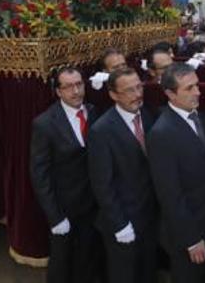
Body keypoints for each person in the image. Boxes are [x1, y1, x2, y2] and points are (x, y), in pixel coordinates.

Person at [148, 63, 205, 283]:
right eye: (189, 88)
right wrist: (191, 239)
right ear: (170, 94)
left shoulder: (203, 117)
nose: (198, 92)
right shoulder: (162, 134)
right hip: (189, 235)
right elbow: (170, 195)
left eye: (197, 85)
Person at [29, 67, 101, 283]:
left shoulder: (94, 111)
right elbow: (40, 174)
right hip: (64, 209)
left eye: (79, 84)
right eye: (68, 86)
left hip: (93, 205)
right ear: (58, 91)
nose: (76, 91)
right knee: (62, 262)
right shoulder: (44, 124)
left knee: (88, 256)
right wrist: (55, 217)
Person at [88, 68, 157, 283]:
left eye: (139, 87)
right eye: (129, 90)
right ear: (113, 95)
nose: (137, 94)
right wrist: (120, 224)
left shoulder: (147, 115)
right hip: (123, 221)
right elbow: (102, 184)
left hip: (150, 216)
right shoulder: (102, 130)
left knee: (148, 270)